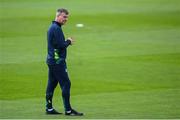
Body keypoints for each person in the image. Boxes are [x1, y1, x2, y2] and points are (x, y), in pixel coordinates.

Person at [45, 8, 83, 116]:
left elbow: (56, 44)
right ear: (58, 16)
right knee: (66, 83)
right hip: (57, 61)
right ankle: (68, 110)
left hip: (51, 60)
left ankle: (49, 108)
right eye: (64, 17)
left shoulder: (53, 27)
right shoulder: (56, 28)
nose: (66, 19)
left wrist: (64, 42)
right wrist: (68, 41)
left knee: (52, 84)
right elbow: (60, 45)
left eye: (67, 17)